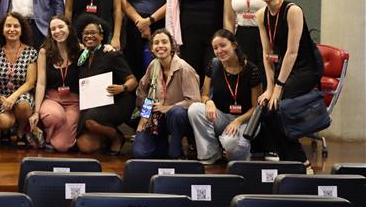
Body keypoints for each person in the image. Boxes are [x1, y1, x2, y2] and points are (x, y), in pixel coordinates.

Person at [256, 0, 319, 173]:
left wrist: (278, 87)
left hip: (304, 68)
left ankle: (301, 162)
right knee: (266, 110)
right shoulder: (261, 15)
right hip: (282, 69)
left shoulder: (292, 11)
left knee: (278, 107)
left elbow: (292, 52)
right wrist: (269, 88)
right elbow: (267, 54)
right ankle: (287, 162)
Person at [188, 29, 262, 165]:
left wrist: (238, 121)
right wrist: (208, 101)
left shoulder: (252, 70)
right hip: (221, 117)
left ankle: (241, 154)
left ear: (234, 45)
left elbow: (255, 108)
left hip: (245, 119)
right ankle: (211, 154)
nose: (219, 51)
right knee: (195, 109)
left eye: (223, 45)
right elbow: (204, 95)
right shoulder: (214, 64)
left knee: (231, 145)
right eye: (215, 48)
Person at [132, 29, 200, 159]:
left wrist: (168, 108)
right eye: (156, 43)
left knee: (176, 113)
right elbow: (142, 91)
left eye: (164, 42)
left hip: (180, 120)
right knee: (140, 153)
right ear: (152, 49)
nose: (160, 46)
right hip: (156, 118)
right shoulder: (153, 65)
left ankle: (176, 153)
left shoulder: (184, 68)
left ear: (172, 46)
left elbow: (194, 101)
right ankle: (162, 145)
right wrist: (145, 115)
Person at [75, 16, 137, 155]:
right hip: (93, 104)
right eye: (86, 33)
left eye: (93, 32)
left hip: (117, 101)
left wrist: (122, 87)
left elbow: (133, 81)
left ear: (102, 36)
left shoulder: (111, 54)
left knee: (90, 120)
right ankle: (105, 136)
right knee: (85, 146)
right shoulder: (81, 58)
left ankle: (117, 137)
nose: (89, 36)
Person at [29, 15, 82, 152]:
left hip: (73, 102)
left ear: (69, 28)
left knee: (63, 146)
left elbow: (97, 49)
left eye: (60, 27)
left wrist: (107, 48)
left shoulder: (80, 50)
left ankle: (49, 138)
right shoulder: (44, 52)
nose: (57, 31)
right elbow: (41, 83)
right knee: (55, 116)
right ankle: (48, 135)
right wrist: (36, 112)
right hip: (52, 98)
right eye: (53, 29)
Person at [0, 12, 38, 147]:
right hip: (1, 96)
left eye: (16, 26)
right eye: (8, 26)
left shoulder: (31, 52)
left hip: (22, 94)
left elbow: (30, 82)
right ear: (2, 30)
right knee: (4, 122)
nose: (12, 29)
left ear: (22, 30)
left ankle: (21, 130)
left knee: (24, 107)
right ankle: (6, 130)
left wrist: (14, 97)